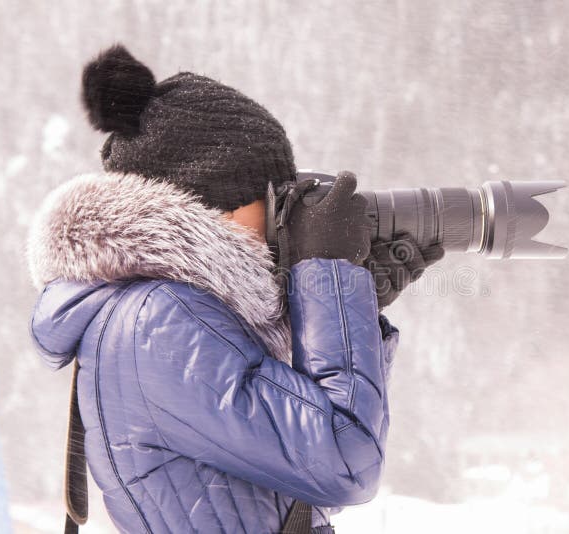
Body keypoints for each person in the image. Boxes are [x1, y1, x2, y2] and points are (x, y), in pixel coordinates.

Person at [27, 44, 442, 534]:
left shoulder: (157, 311)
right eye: (272, 196)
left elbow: (289, 475)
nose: (281, 219)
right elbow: (343, 462)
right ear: (215, 203)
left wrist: (351, 313)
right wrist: (328, 278)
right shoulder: (157, 323)